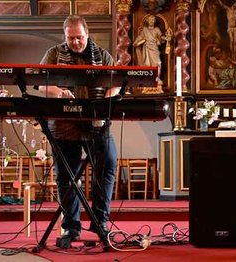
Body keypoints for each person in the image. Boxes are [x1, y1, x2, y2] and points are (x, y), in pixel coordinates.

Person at [38, 15, 119, 242]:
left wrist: (105, 101)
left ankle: (100, 221)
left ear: (87, 34)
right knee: (67, 176)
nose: (76, 42)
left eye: (80, 37)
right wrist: (59, 93)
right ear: (65, 35)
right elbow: (41, 83)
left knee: (107, 166)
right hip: (64, 125)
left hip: (96, 124)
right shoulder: (54, 54)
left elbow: (116, 84)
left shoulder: (103, 56)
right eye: (71, 38)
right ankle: (71, 227)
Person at [133, 15, 171, 85]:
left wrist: (166, 38)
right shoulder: (145, 29)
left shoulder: (156, 29)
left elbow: (161, 36)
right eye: (150, 20)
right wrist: (137, 42)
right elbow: (140, 38)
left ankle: (156, 78)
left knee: (158, 63)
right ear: (147, 21)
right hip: (147, 48)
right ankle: (148, 78)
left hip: (154, 48)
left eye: (153, 20)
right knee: (147, 64)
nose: (151, 21)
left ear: (154, 21)